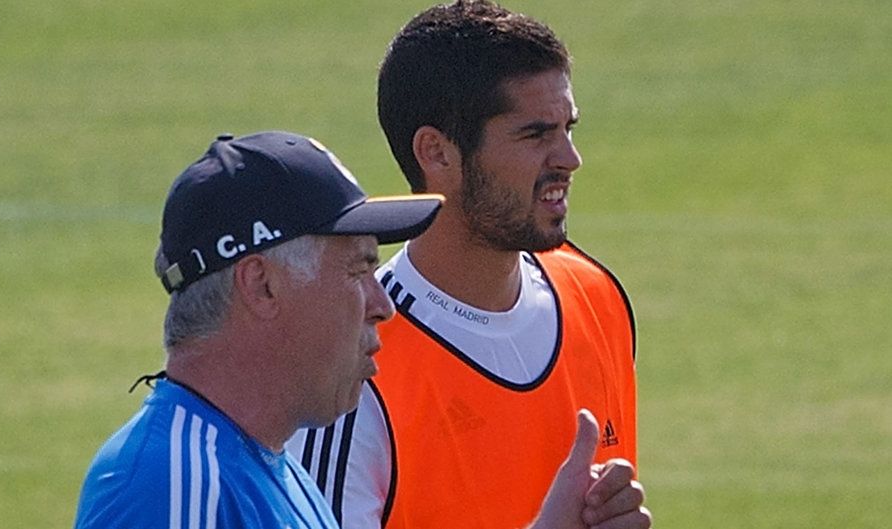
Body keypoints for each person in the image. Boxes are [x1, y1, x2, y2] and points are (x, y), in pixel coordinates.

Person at [287, 2, 652, 529]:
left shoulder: (597, 298)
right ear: (436, 153)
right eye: (535, 134)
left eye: (567, 128)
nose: (569, 158)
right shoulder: (354, 373)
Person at [72, 130, 444, 528]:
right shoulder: (173, 488)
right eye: (357, 271)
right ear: (261, 286)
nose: (382, 306)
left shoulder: (274, 469)